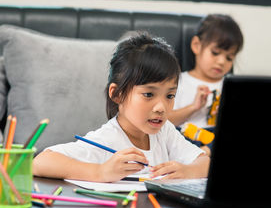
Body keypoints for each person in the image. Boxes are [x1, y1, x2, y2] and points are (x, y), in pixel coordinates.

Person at [33, 33, 210, 182]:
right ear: (117, 94)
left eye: (170, 96)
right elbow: (40, 162)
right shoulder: (107, 138)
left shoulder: (165, 132)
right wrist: (100, 171)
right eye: (148, 94)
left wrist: (187, 172)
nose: (161, 107)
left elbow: (205, 162)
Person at [169, 14, 244, 156]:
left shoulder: (230, 86)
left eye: (229, 57)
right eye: (215, 53)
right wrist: (193, 107)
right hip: (184, 138)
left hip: (213, 141)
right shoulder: (178, 81)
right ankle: (198, 158)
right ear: (196, 45)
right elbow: (166, 120)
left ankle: (202, 156)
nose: (222, 61)